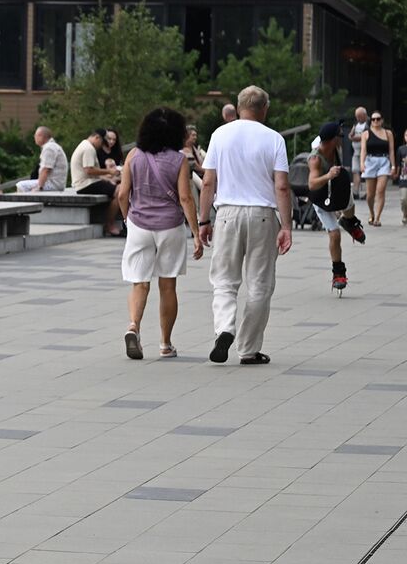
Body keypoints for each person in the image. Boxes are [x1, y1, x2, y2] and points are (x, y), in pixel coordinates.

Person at [197, 85, 292, 366]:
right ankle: (248, 349)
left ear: (238, 108)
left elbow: (209, 182)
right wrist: (286, 226)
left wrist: (204, 220)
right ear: (265, 108)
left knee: (224, 280)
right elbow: (282, 186)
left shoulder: (219, 135)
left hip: (226, 213)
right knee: (260, 284)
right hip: (263, 214)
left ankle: (225, 328)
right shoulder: (274, 139)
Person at [116, 107, 203, 360]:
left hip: (139, 225)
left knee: (139, 282)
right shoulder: (178, 160)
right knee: (168, 285)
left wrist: (126, 218)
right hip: (170, 227)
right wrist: (196, 233)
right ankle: (165, 344)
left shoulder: (134, 155)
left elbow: (123, 194)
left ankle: (134, 326)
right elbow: (186, 198)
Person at [307, 122, 364, 293]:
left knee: (349, 201)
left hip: (335, 190)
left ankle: (349, 221)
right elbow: (311, 184)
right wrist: (328, 175)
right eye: (340, 136)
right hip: (320, 197)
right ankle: (338, 273)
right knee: (335, 235)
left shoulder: (332, 145)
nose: (342, 138)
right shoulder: (315, 158)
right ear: (332, 140)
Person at [70, 127, 121, 236]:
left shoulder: (84, 145)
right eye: (102, 142)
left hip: (86, 182)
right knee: (119, 191)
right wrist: (110, 172)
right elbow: (89, 170)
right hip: (85, 184)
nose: (102, 145)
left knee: (115, 186)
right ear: (97, 137)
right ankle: (109, 224)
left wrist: (107, 177)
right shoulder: (89, 148)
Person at [358, 110, 395, 227]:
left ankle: (377, 218)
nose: (375, 121)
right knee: (370, 195)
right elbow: (363, 150)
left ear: (382, 120)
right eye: (373, 119)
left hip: (384, 161)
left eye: (378, 119)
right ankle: (371, 213)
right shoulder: (366, 134)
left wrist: (393, 165)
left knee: (381, 190)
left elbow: (391, 150)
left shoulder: (388, 133)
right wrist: (362, 163)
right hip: (370, 161)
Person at [19, 126, 66, 192]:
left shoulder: (49, 148)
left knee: (21, 185)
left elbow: (46, 169)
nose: (34, 137)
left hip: (53, 184)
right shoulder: (52, 146)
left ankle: (26, 202)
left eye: (35, 135)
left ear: (41, 136)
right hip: (56, 183)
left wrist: (39, 187)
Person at [346, 107, 369, 210]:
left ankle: (368, 193)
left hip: (366, 152)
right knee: (355, 171)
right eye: (357, 116)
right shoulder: (356, 125)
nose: (358, 118)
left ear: (364, 115)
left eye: (359, 116)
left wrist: (354, 138)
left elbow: (365, 136)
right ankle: (355, 192)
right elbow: (350, 135)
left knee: (367, 173)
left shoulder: (369, 123)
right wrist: (352, 136)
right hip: (356, 152)